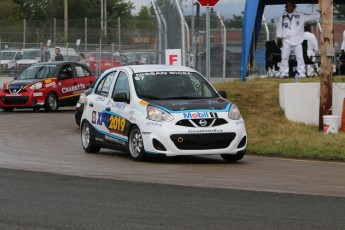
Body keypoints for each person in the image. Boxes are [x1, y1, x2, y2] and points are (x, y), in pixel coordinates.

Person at [276, 0, 320, 78]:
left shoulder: (300, 15)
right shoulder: (282, 17)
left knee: (300, 57)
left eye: (290, 5)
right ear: (285, 7)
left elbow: (311, 16)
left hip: (298, 39)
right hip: (286, 40)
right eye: (287, 5)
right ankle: (284, 73)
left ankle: (302, 73)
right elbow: (279, 28)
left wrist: (321, 14)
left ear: (293, 7)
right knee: (284, 57)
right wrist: (279, 37)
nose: (289, 6)